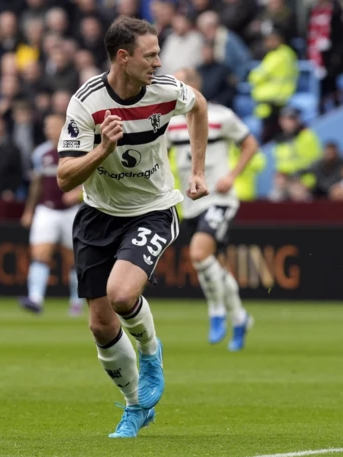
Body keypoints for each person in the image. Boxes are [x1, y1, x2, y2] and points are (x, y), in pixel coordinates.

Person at [56, 17, 209, 438]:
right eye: (151, 54)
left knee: (122, 294)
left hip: (153, 209)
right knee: (100, 325)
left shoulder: (165, 89)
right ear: (123, 58)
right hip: (98, 214)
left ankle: (151, 352)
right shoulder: (86, 103)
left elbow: (198, 105)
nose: (159, 61)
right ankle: (135, 406)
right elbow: (65, 177)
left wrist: (196, 170)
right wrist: (103, 148)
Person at [167, 67, 259, 351]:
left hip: (219, 198)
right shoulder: (171, 122)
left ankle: (216, 312)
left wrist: (232, 176)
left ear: (195, 86)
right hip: (190, 202)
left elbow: (250, 144)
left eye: (181, 84)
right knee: (210, 263)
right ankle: (241, 318)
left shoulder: (221, 116)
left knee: (198, 253)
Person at [19, 113, 84, 316]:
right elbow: (36, 184)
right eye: (47, 126)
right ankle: (35, 299)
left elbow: (92, 176)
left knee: (73, 259)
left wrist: (79, 193)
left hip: (71, 212)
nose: (49, 130)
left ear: (63, 127)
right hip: (46, 210)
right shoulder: (40, 153)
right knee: (40, 254)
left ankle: (76, 302)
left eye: (53, 125)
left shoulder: (77, 149)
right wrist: (29, 210)